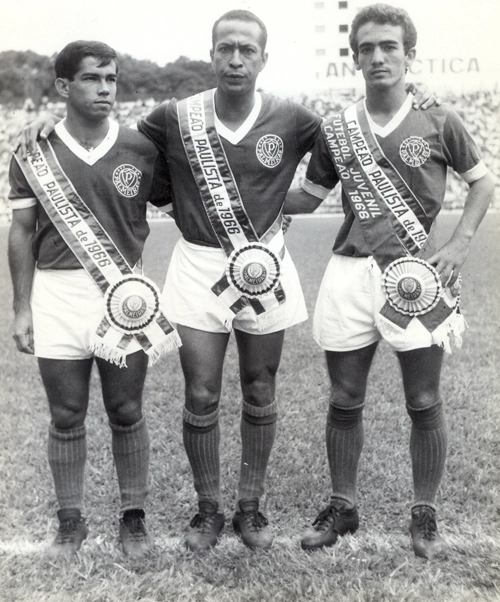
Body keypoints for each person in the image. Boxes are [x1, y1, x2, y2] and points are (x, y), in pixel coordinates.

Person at [17, 11, 436, 554]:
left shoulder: (296, 117)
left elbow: (350, 134)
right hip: (198, 266)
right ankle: (209, 508)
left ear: (264, 58)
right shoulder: (172, 117)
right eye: (225, 49)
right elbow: (108, 137)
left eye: (247, 50)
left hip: (268, 267)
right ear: (211, 54)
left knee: (261, 386)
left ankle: (251, 506)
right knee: (201, 391)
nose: (235, 59)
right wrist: (45, 122)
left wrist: (417, 92)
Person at [284, 3, 494, 559]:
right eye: (367, 48)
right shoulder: (338, 128)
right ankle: (342, 507)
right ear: (355, 57)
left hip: (415, 276)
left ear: (409, 54)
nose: (378, 57)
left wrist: (460, 244)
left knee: (423, 399)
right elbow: (308, 196)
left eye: (389, 47)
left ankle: (424, 513)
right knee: (344, 397)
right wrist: (247, 192)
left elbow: (481, 182)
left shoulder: (439, 118)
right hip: (349, 273)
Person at [8, 40, 179, 560]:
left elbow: (185, 204)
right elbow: (20, 232)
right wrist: (22, 307)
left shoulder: (141, 149)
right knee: (66, 413)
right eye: (91, 79)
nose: (105, 89)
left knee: (126, 408)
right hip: (57, 293)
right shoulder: (31, 150)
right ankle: (69, 523)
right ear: (63, 86)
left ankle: (134, 520)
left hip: (123, 296)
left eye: (111, 79)